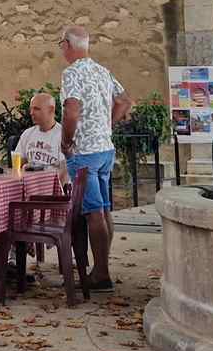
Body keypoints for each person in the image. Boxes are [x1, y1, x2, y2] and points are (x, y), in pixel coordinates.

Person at [58, 25, 128, 291]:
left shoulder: (71, 73)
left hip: (84, 151)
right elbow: (124, 101)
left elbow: (72, 112)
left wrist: (66, 141)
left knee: (93, 211)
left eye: (61, 45)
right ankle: (102, 267)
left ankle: (101, 273)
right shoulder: (102, 71)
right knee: (104, 208)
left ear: (67, 44)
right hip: (105, 148)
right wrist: (106, 125)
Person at [12, 92, 66, 172]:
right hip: (30, 182)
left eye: (36, 109)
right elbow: (18, 161)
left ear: (51, 109)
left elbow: (65, 169)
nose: (31, 113)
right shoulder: (27, 134)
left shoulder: (63, 136)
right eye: (31, 109)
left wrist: (39, 168)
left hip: (52, 182)